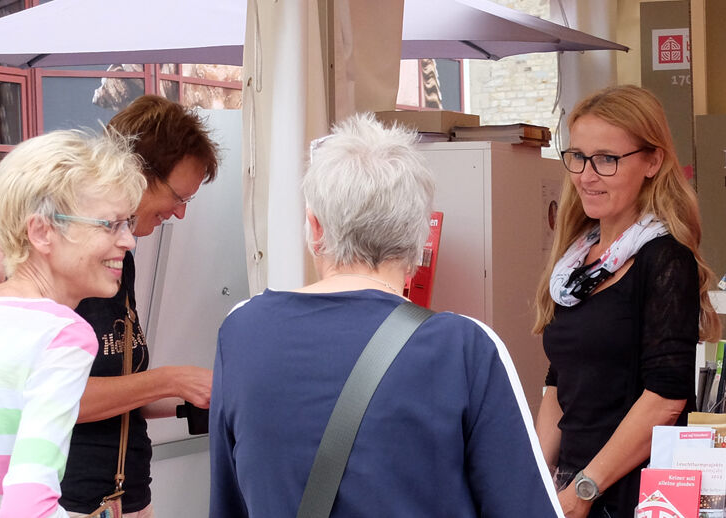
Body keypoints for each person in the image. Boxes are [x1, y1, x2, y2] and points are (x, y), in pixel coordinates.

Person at [209, 114, 561, 517]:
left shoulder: (241, 332)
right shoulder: (464, 348)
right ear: (420, 236)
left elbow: (228, 502)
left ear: (315, 227)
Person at [0, 130, 145, 517]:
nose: (129, 241)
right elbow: (28, 506)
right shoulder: (60, 334)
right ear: (42, 232)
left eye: (128, 223)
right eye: (110, 224)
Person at [533, 85, 721, 518]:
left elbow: (665, 397)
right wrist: (538, 479)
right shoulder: (575, 263)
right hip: (575, 489)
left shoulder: (665, 258)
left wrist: (584, 489)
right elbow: (558, 383)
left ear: (653, 161)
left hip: (634, 493)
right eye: (577, 156)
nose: (585, 174)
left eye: (606, 159)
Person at [60, 95, 220, 518]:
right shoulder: (71, 264)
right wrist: (170, 379)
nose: (181, 214)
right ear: (135, 170)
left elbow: (118, 393)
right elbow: (60, 397)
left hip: (126, 496)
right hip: (76, 502)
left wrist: (193, 396)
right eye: (178, 197)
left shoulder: (120, 260)